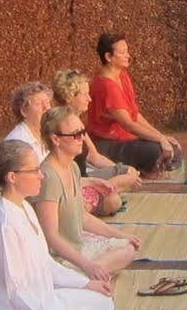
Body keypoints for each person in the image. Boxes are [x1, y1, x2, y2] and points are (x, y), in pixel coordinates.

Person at [0, 140, 114, 310]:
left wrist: (86, 283)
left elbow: (45, 264)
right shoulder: (4, 223)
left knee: (101, 300)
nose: (41, 175)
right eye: (34, 170)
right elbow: (17, 291)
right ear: (12, 177)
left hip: (42, 302)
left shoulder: (24, 207)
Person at [33, 106, 143, 281]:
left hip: (78, 248)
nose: (82, 138)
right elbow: (51, 236)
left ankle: (84, 277)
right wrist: (87, 265)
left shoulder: (73, 167)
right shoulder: (49, 177)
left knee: (128, 247)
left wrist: (121, 235)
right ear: (56, 139)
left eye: (82, 132)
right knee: (111, 258)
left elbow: (82, 217)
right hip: (58, 258)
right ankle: (81, 277)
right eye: (75, 134)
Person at [51, 68, 142, 215]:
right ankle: (101, 194)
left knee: (129, 173)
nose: (90, 99)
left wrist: (120, 169)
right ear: (69, 97)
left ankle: (104, 192)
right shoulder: (61, 124)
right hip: (74, 182)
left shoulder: (77, 122)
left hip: (84, 176)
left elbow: (94, 156)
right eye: (85, 94)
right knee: (113, 200)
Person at [86, 33, 179, 176]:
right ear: (108, 57)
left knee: (172, 147)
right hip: (107, 144)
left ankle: (148, 166)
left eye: (127, 51)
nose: (128, 56)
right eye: (122, 53)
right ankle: (143, 169)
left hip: (126, 138)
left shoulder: (122, 75)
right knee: (156, 150)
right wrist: (160, 139)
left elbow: (135, 114)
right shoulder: (106, 85)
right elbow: (128, 123)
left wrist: (161, 136)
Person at [2, 82, 51, 153]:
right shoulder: (17, 143)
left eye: (47, 102)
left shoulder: (48, 135)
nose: (46, 108)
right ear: (24, 111)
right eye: (38, 104)